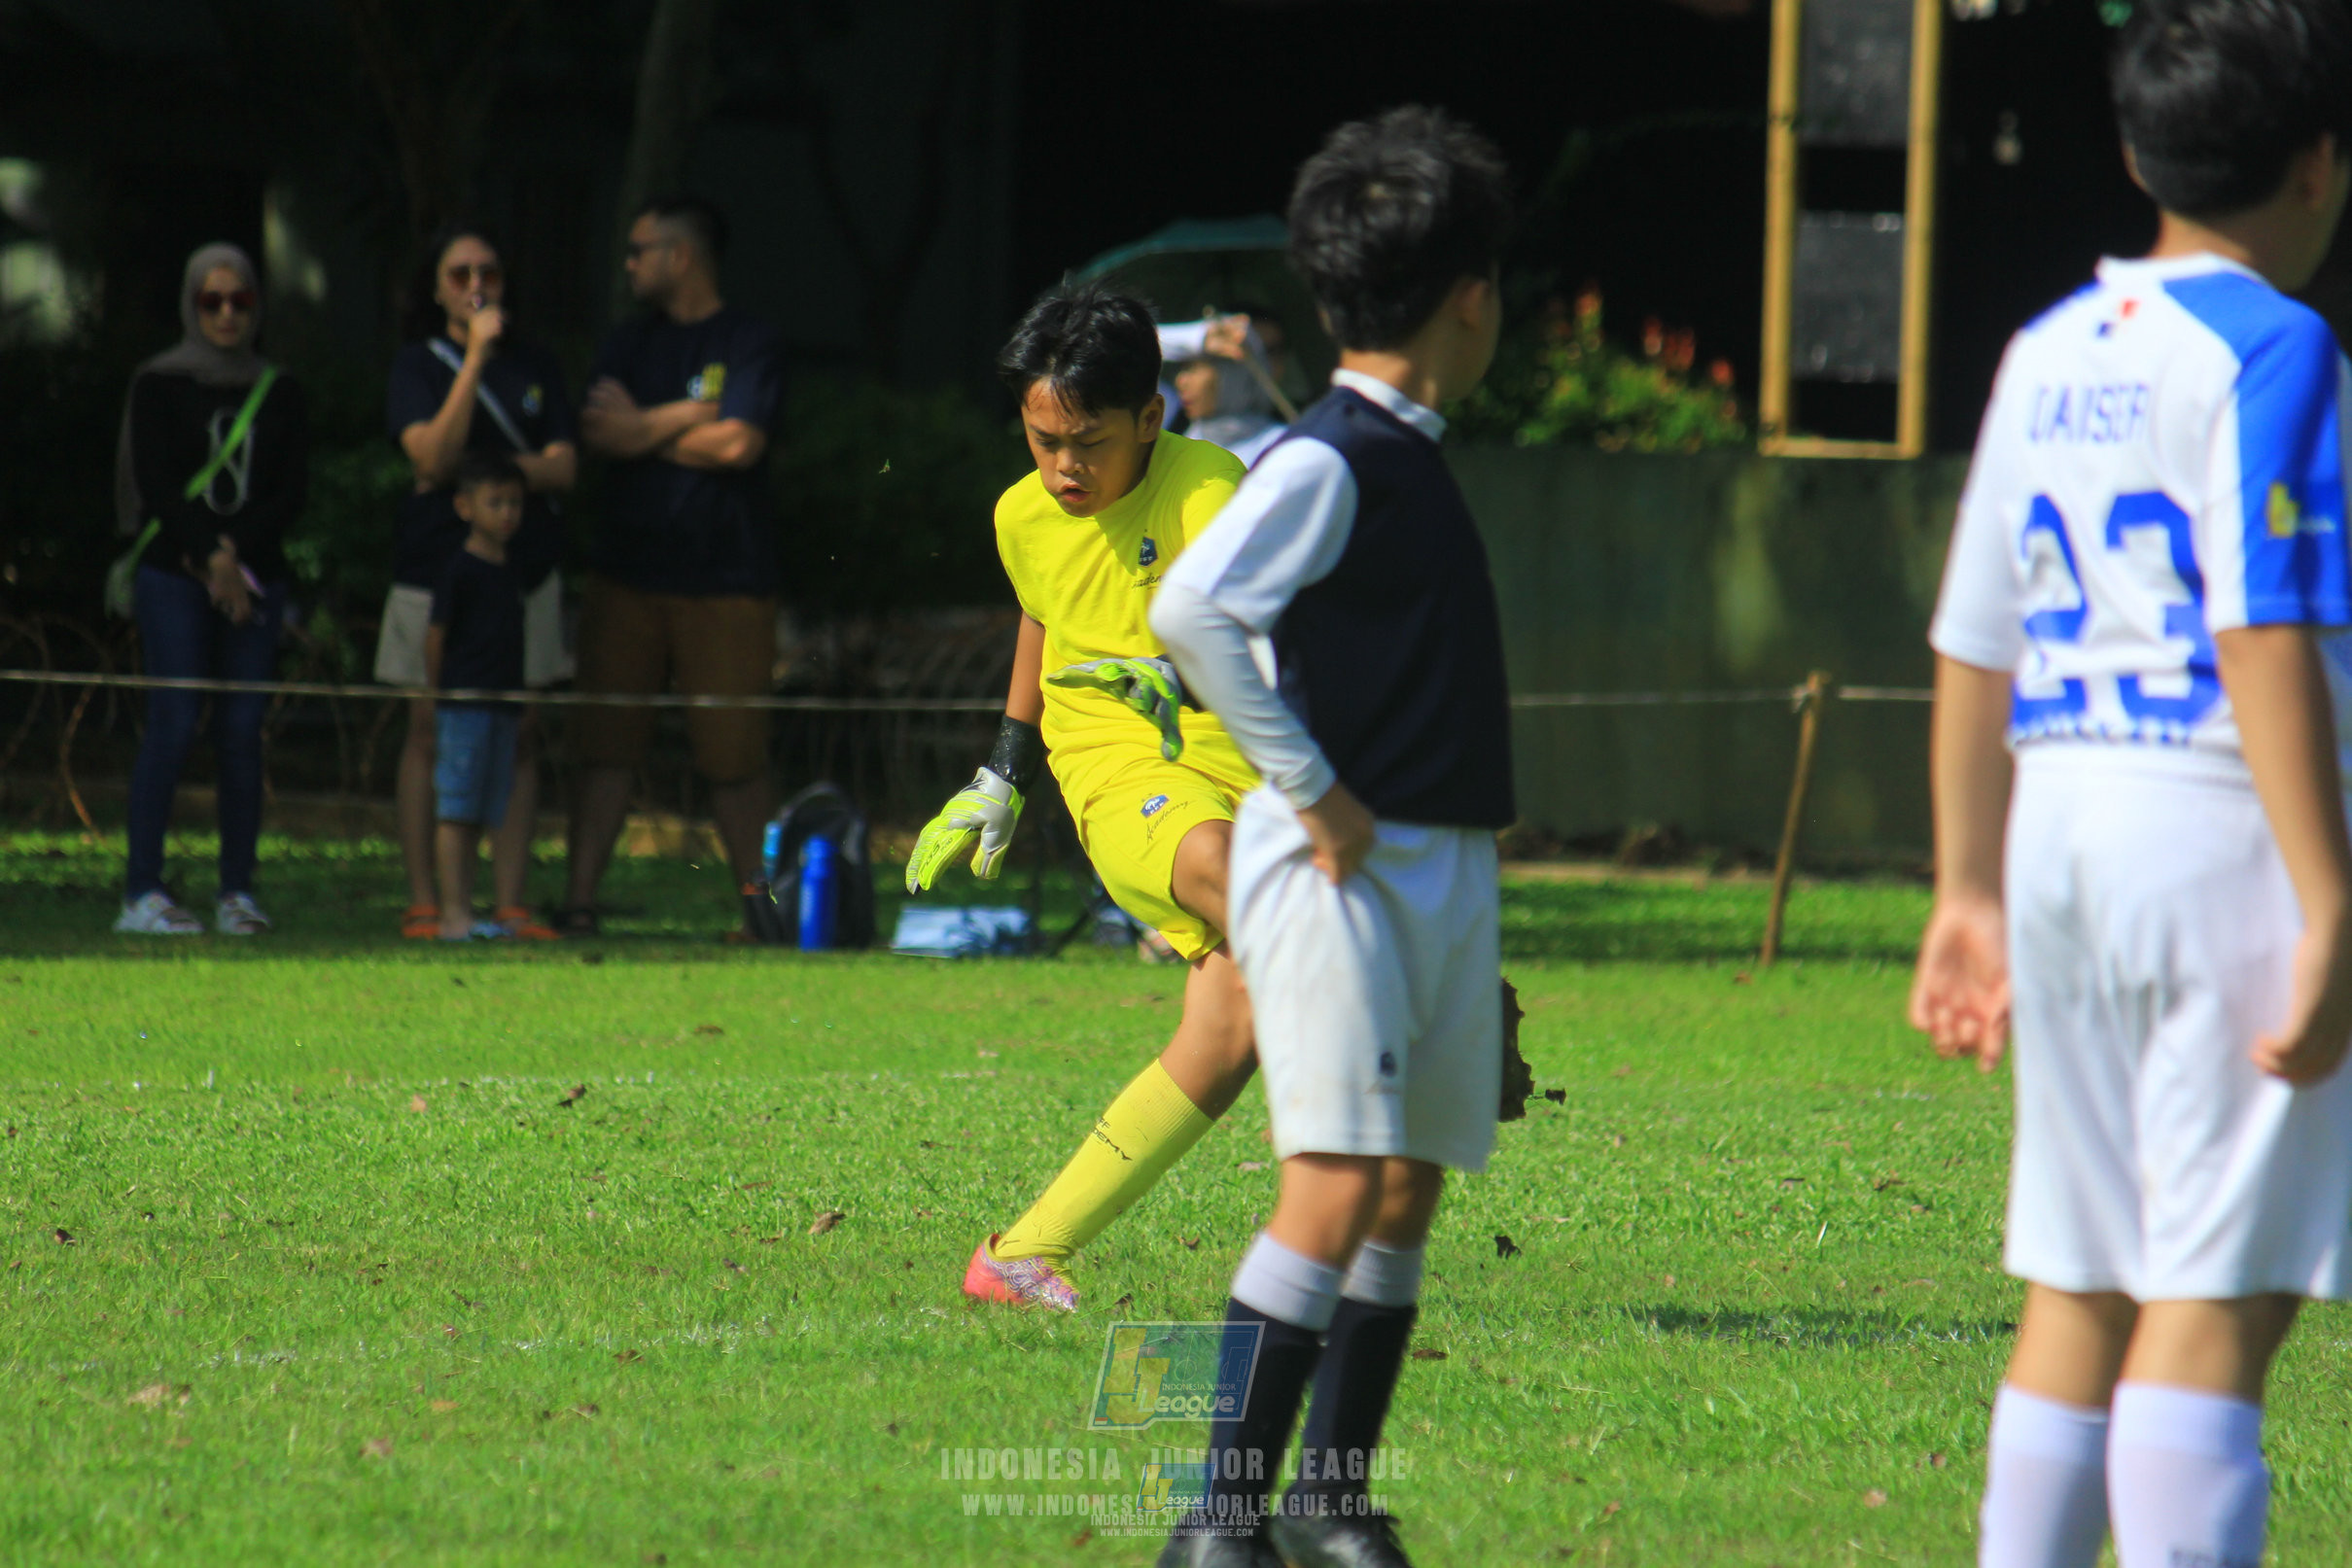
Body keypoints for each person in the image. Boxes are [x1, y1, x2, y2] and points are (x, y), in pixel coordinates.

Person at [1911, 4, 2352, 1564]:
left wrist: (1964, 884)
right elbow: (2261, 623)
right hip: (2211, 829)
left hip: (2058, 831)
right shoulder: (2274, 344)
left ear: (2130, 151)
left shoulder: (2043, 352)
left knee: (2080, 1280)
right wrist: (2331, 896)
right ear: (2316, 165)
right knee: (2212, 1303)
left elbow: (1970, 643)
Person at [1149, 106, 1515, 1568]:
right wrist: (1310, 788)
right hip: (1336, 870)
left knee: (1410, 1173)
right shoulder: (1329, 455)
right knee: (1333, 1180)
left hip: (1433, 862)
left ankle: (1330, 1497)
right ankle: (1217, 1519)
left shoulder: (1405, 452)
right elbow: (1193, 614)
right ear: (1469, 296)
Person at [904, 284, 1259, 1313]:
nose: (1062, 466)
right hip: (1114, 761)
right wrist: (1005, 770)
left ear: (1154, 418)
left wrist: (1193, 664)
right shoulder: (1023, 514)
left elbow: (1253, 626)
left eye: (1089, 441)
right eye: (1042, 437)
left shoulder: (1210, 490)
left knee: (1230, 1024)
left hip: (1237, 753)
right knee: (1231, 879)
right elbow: (1043, 616)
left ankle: (1017, 1255)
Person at [566, 195, 784, 937]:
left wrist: (641, 427)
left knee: (734, 755)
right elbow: (598, 430)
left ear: (680, 255)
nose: (628, 264)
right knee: (604, 748)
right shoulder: (627, 342)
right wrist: (684, 418)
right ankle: (579, 905)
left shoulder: (747, 341)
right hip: (624, 576)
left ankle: (759, 911)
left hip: (725, 584)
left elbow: (738, 447)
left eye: (640, 250)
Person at [376, 224, 577, 941]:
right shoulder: (417, 366)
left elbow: (565, 467)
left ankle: (510, 902)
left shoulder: (536, 365)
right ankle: (429, 900)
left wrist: (488, 477)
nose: (474, 285)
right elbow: (431, 459)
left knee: (519, 731)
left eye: (487, 270)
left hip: (524, 582)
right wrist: (473, 362)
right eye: (457, 274)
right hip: (433, 579)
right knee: (428, 729)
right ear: (435, 289)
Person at [112, 242, 310, 936]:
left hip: (254, 577)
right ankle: (143, 889)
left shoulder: (277, 387)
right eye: (212, 301)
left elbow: (289, 489)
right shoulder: (159, 383)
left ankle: (237, 891)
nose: (227, 314)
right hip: (175, 572)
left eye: (241, 301)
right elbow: (159, 484)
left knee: (241, 733)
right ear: (192, 305)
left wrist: (236, 558)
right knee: (172, 721)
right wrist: (208, 557)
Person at [427, 455, 531, 941]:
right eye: (496, 502)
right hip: (463, 705)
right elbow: (436, 636)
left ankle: (472, 912)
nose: (507, 513)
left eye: (515, 503)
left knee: (487, 811)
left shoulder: (513, 569)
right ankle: (452, 914)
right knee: (456, 810)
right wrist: (435, 695)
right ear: (465, 506)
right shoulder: (459, 569)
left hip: (502, 707)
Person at [1160, 314, 1289, 467]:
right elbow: (1128, 342)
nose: (1180, 381)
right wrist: (1199, 337)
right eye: (1182, 369)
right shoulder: (1182, 444)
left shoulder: (1281, 446)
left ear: (1231, 375)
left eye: (1193, 368)